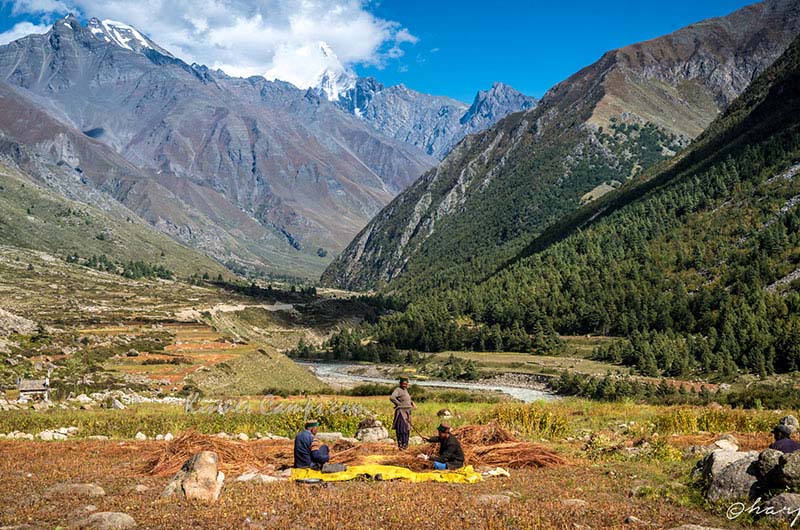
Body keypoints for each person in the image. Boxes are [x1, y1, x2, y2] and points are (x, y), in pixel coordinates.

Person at [390, 377, 416, 450]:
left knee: (407, 429)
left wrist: (412, 403)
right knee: (402, 429)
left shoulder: (405, 390)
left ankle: (406, 446)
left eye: (406, 384)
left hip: (408, 412)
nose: (405, 385)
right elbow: (392, 397)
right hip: (401, 411)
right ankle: (401, 446)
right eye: (403, 384)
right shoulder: (398, 390)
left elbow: (407, 399)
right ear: (400, 384)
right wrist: (399, 404)